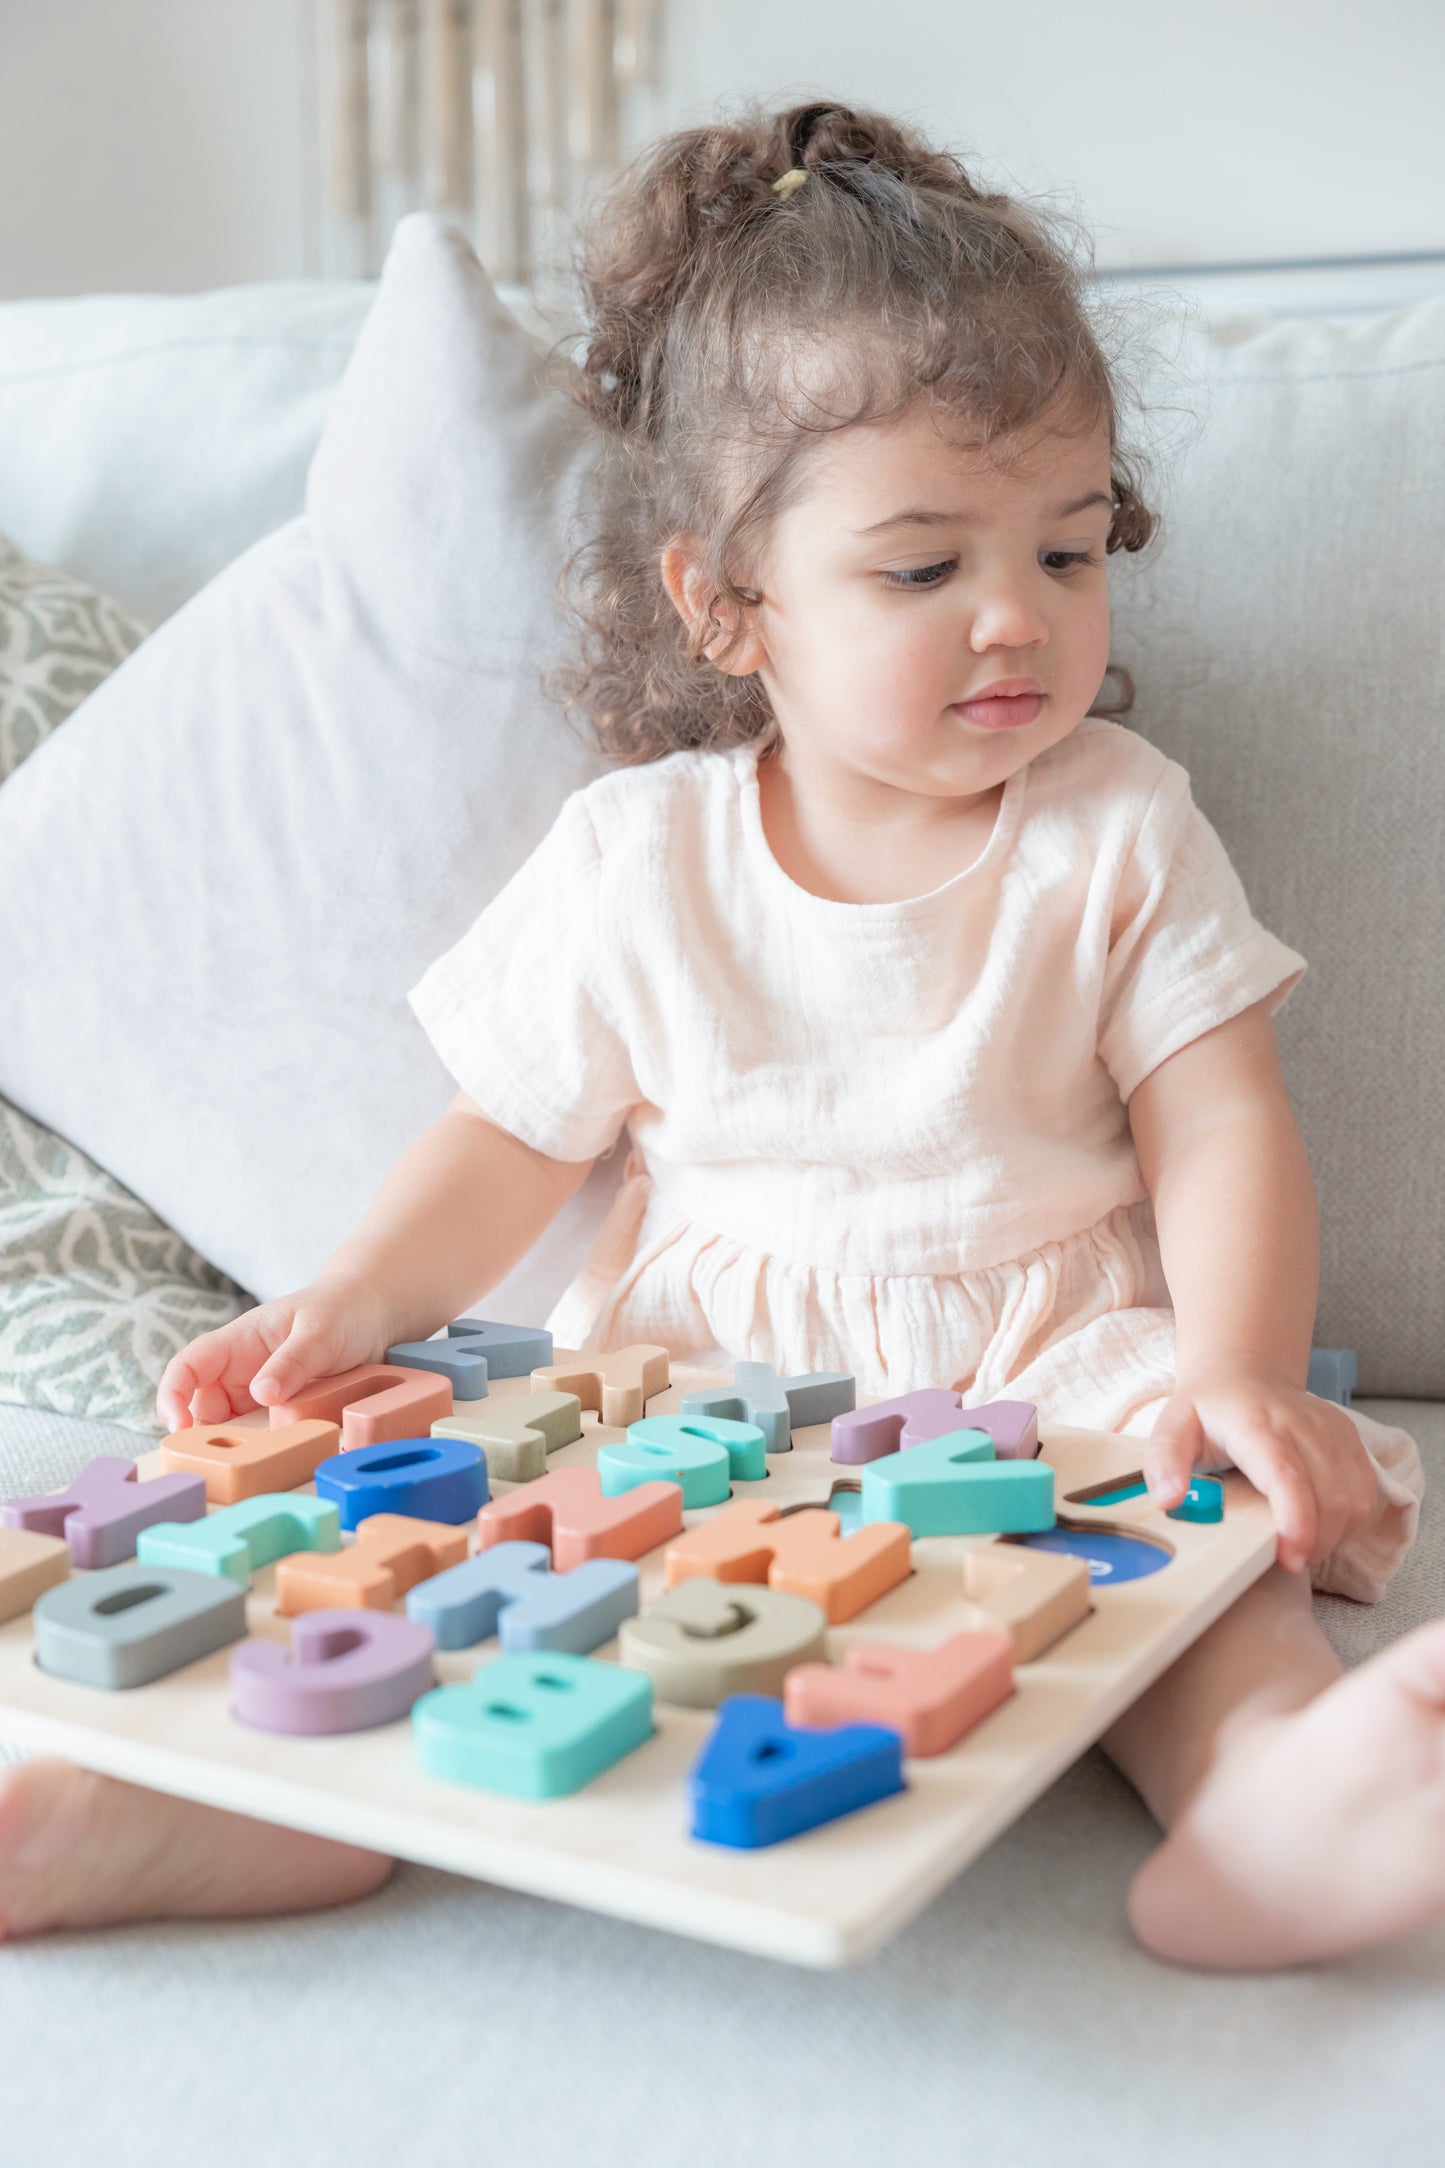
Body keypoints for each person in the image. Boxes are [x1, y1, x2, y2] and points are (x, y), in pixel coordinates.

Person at [1, 97, 1437, 1971]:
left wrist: (1238, 1365)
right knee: (483, 1560)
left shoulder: (1114, 824)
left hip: (1041, 1340)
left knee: (1186, 1543)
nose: (1015, 617)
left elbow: (1220, 1120)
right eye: (923, 569)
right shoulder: (639, 852)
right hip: (698, 1370)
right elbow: (509, 1131)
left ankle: (1260, 1797)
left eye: (1068, 554)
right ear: (727, 605)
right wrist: (347, 1301)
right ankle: (202, 1809)